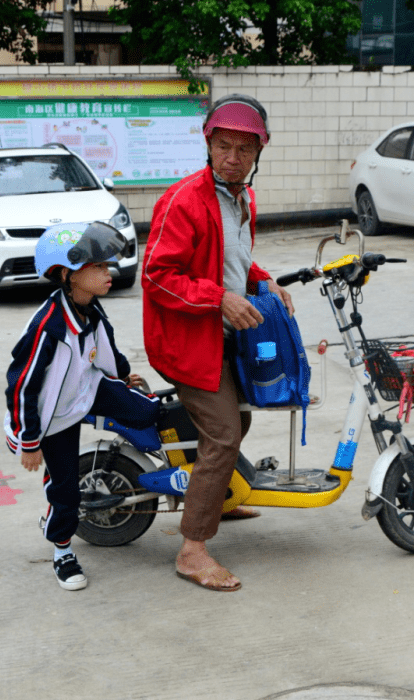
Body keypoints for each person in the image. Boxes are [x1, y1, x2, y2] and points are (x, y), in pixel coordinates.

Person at [142, 94, 294, 592]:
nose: (233, 157)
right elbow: (157, 277)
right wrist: (220, 300)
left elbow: (233, 261)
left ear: (257, 155)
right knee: (225, 433)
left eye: (244, 150)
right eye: (224, 146)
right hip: (186, 340)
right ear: (208, 145)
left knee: (241, 417)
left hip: (220, 334)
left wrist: (263, 281)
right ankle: (193, 548)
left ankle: (215, 496)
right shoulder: (183, 199)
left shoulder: (241, 198)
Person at [5, 221, 160, 591]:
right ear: (68, 275)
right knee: (66, 491)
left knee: (150, 411)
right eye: (99, 267)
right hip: (52, 418)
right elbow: (21, 385)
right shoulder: (48, 328)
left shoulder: (90, 307)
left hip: (86, 389)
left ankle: (115, 457)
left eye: (107, 266)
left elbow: (105, 346)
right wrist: (30, 442)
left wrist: (122, 376)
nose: (109, 273)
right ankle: (61, 550)